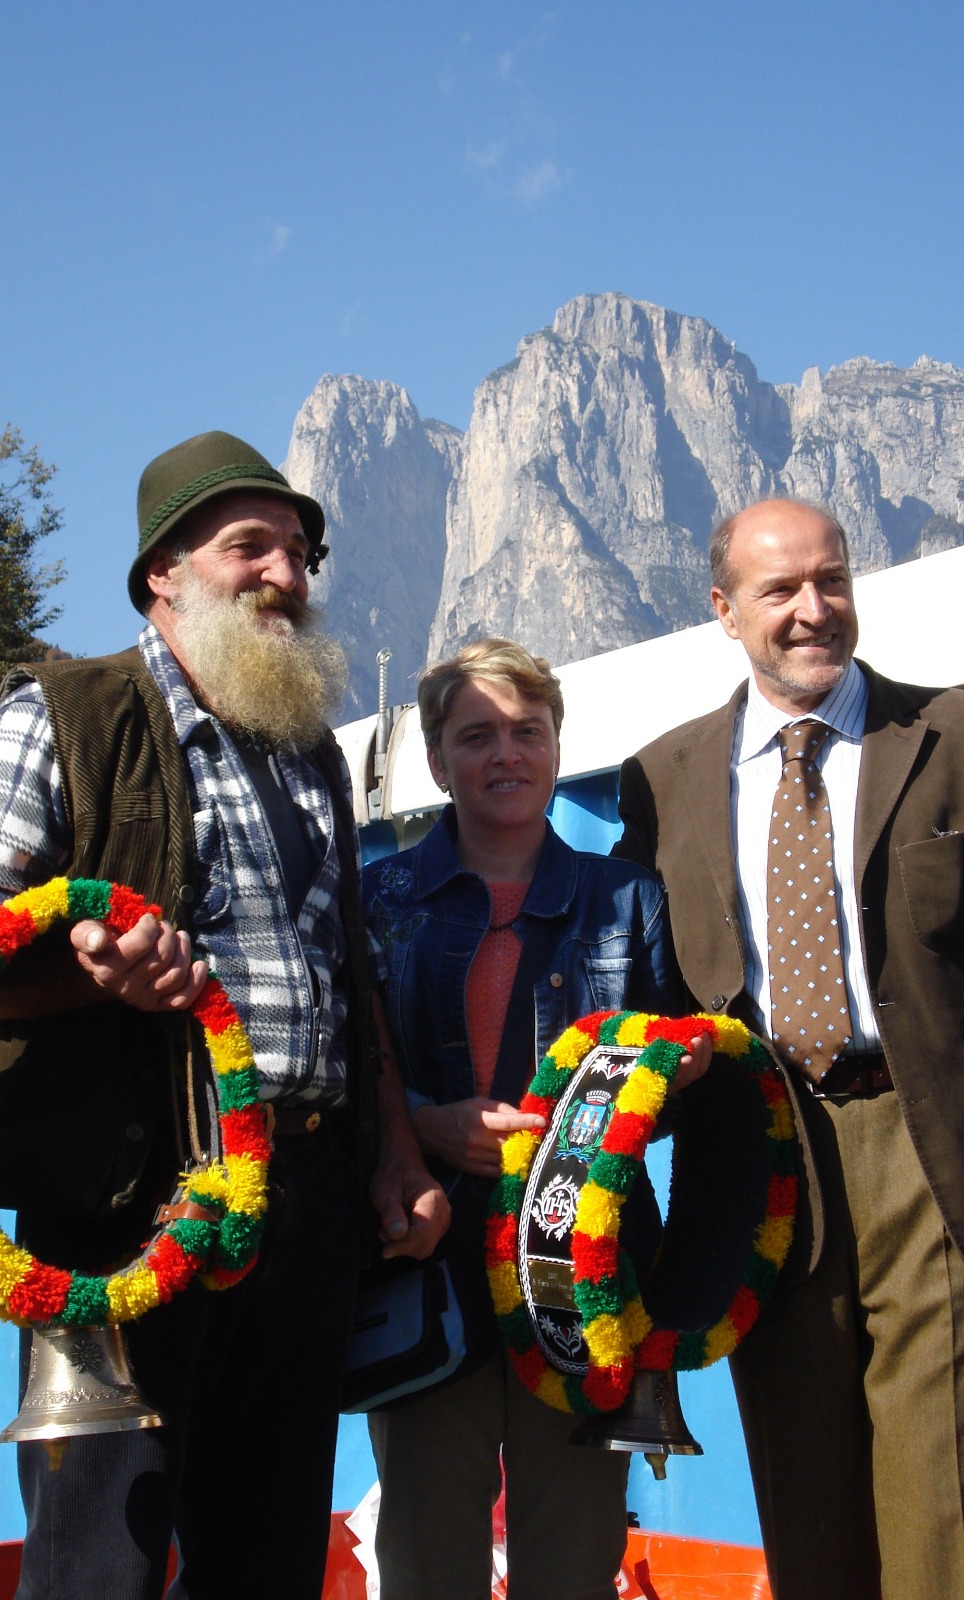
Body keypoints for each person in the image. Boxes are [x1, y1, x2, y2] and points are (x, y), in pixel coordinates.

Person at [0, 430, 448, 1600]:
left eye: (300, 553)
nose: (285, 575)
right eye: (249, 546)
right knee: (100, 1565)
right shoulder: (61, 712)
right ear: (162, 572)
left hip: (303, 1209)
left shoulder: (308, 747)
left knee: (267, 1562)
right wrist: (88, 963)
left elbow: (352, 972)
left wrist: (396, 1150)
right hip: (126, 1203)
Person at [614, 496, 964, 1600]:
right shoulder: (660, 779)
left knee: (955, 1519)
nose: (814, 610)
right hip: (763, 1169)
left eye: (833, 580)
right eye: (781, 590)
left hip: (939, 1156)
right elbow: (641, 993)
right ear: (725, 611)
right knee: (809, 1520)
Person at [362, 638, 711, 1600]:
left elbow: (670, 1094)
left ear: (559, 746)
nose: (507, 754)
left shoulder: (629, 899)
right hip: (425, 1264)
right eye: (477, 736)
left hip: (581, 1268)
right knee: (427, 1560)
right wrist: (423, 1127)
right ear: (438, 762)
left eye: (528, 731)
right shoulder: (377, 901)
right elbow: (346, 1077)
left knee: (574, 1556)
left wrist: (672, 1079)